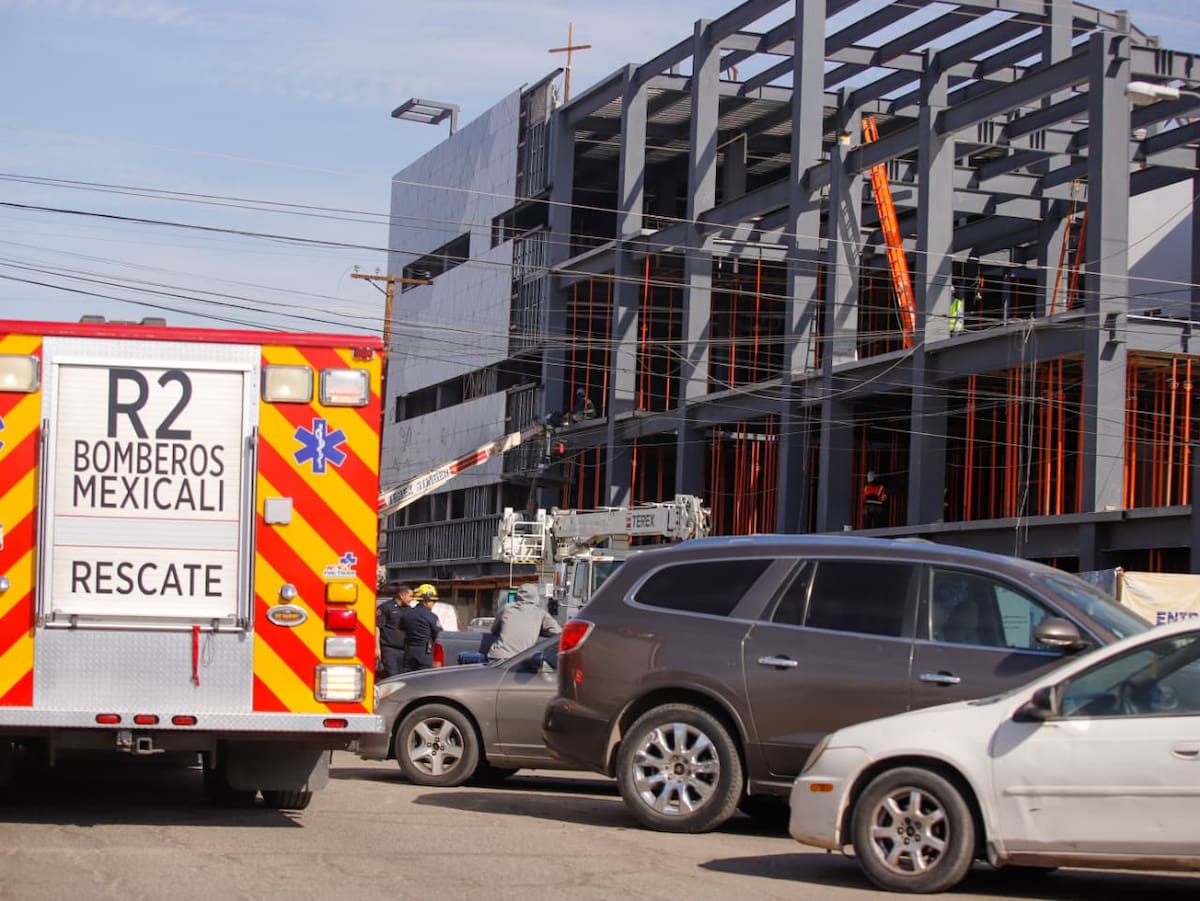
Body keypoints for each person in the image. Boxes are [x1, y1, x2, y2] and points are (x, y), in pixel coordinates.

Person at [487, 583, 562, 662]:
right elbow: (558, 633)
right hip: (520, 660)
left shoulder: (507, 608)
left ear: (517, 595)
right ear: (536, 596)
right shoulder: (540, 613)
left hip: (497, 656)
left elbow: (493, 629)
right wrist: (540, 631)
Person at [398, 584, 443, 672]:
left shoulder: (407, 613)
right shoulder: (431, 616)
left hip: (409, 651)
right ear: (426, 601)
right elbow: (438, 634)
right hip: (424, 652)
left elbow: (401, 631)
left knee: (408, 678)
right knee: (423, 679)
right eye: (433, 601)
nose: (433, 604)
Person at [376, 583, 414, 679]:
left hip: (404, 650)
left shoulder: (409, 610)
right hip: (389, 649)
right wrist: (377, 648)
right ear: (402, 595)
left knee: (403, 677)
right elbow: (377, 628)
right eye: (410, 596)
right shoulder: (386, 607)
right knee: (393, 676)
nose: (412, 599)